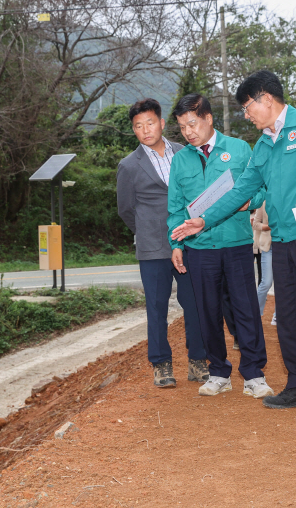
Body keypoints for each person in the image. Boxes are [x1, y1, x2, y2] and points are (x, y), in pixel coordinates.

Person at [172, 70, 296, 417]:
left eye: (247, 107)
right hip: (282, 240)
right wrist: (204, 219)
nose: (246, 114)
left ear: (266, 99)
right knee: (287, 318)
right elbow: (242, 190)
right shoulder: (263, 146)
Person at [167, 93, 273, 398]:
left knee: (246, 309)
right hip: (199, 248)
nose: (188, 132)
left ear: (208, 118)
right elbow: (175, 208)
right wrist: (174, 244)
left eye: (192, 124)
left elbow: (260, 187)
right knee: (207, 311)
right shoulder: (180, 160)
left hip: (237, 244)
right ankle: (218, 373)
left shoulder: (239, 149)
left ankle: (254, 374)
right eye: (182, 127)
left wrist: (247, 204)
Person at [116, 98, 208, 388]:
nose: (145, 130)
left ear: (162, 123)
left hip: (189, 242)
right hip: (153, 247)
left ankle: (198, 360)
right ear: (134, 131)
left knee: (194, 304)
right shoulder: (129, 166)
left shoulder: (185, 152)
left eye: (150, 123)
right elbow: (125, 209)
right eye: (138, 126)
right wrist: (146, 231)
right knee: (156, 307)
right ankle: (161, 364)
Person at [252, 202, 276, 324]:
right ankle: (256, 313)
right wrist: (269, 226)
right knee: (265, 282)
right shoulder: (264, 202)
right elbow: (255, 224)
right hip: (268, 248)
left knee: (282, 284)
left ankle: (278, 316)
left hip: (284, 246)